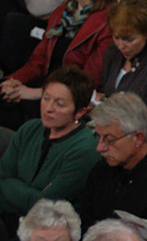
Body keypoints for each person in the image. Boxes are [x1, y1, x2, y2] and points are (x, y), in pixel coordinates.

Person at [0, 0, 116, 126]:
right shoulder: (61, 12)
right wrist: (13, 82)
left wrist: (34, 93)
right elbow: (38, 61)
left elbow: (86, 83)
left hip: (69, 101)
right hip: (44, 89)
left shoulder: (108, 24)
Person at [77, 92, 147, 233]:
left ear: (138, 138)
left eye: (109, 139)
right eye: (98, 137)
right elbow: (84, 227)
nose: (100, 147)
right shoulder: (101, 171)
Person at [0, 67, 99, 220]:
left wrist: (11, 185)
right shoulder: (30, 128)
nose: (48, 108)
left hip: (48, 230)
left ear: (80, 112)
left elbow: (45, 205)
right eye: (46, 98)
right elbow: (2, 176)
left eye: (59, 104)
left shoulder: (85, 150)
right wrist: (31, 194)